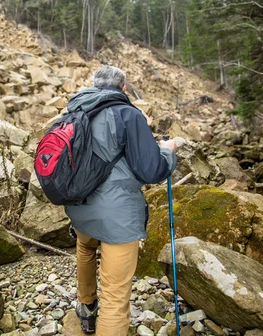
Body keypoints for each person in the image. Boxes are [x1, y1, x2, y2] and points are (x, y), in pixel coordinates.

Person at [65, 65, 178, 335]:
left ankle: (87, 307)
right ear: (123, 88)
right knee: (115, 298)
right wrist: (168, 152)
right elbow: (152, 171)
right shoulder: (128, 115)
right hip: (117, 217)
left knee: (86, 248)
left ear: (94, 85)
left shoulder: (74, 111)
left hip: (79, 206)